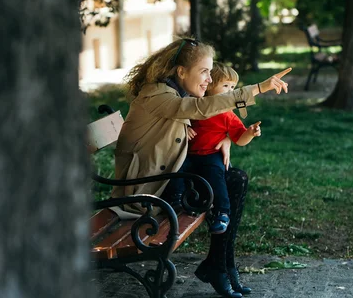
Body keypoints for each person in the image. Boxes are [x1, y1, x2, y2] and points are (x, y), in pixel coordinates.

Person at [112, 38, 291, 298]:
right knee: (233, 182)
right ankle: (220, 267)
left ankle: (222, 265)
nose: (209, 79)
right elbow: (200, 109)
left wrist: (228, 138)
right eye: (204, 71)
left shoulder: (176, 92)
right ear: (181, 72)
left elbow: (207, 119)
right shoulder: (158, 95)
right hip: (148, 189)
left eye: (210, 71)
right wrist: (260, 88)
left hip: (169, 177)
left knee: (235, 180)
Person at [185, 62, 261, 235]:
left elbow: (240, 139)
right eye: (225, 85)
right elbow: (180, 117)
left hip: (211, 155)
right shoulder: (194, 104)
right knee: (178, 174)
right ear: (210, 85)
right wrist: (185, 127)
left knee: (217, 178)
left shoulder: (227, 114)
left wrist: (249, 133)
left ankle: (222, 212)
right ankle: (180, 203)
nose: (230, 91)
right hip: (188, 154)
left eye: (233, 87)